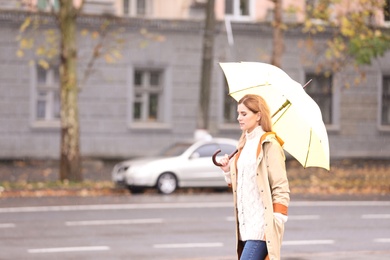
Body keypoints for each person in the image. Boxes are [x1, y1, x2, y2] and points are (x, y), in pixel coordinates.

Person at [218, 94, 290, 260]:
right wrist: (228, 170)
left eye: (244, 114)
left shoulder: (270, 144)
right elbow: (242, 185)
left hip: (261, 227)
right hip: (245, 226)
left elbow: (281, 187)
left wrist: (275, 223)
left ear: (258, 115)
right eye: (238, 113)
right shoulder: (243, 143)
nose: (238, 118)